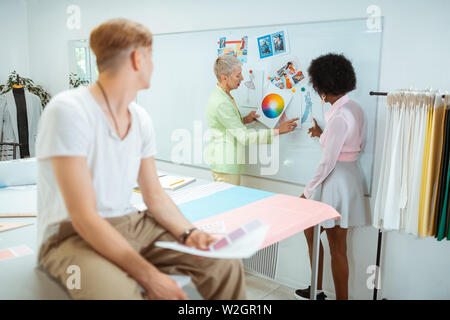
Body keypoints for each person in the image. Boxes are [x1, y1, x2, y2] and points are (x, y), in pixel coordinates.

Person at [35, 18, 246, 300]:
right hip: (70, 236)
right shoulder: (68, 111)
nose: (153, 66)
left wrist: (189, 233)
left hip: (130, 222)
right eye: (151, 57)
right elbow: (84, 217)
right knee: (120, 293)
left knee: (223, 262)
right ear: (138, 58)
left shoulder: (140, 118)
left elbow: (154, 195)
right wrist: (149, 276)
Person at [295, 53, 369, 300]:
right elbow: (348, 147)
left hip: (337, 182)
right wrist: (321, 134)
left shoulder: (338, 117)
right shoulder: (354, 108)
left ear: (323, 88)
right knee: (311, 230)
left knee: (338, 248)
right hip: (348, 178)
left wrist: (306, 192)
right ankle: (316, 290)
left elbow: (328, 161)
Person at [205, 54, 299, 185]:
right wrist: (278, 131)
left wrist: (245, 120)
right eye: (238, 75)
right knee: (230, 203)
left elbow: (227, 125)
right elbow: (245, 138)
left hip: (226, 163)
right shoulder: (222, 102)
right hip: (225, 164)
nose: (242, 78)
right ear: (224, 78)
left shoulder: (223, 95)